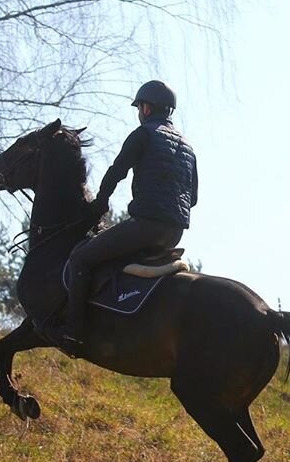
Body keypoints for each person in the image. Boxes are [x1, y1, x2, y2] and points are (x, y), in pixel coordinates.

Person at [59, 80, 198, 354]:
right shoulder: (188, 147)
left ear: (146, 108)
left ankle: (74, 333)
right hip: (175, 232)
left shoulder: (143, 134)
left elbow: (117, 171)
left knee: (81, 258)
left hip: (145, 226)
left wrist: (99, 203)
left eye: (139, 108)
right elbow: (192, 197)